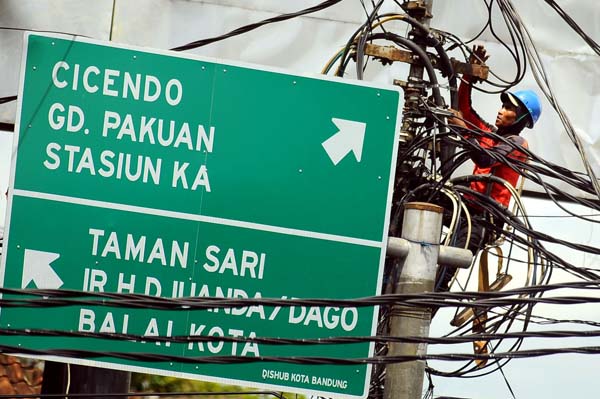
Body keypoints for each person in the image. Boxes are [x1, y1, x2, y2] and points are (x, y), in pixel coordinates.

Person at [435, 45, 542, 292]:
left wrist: (462, 127)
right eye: (503, 106)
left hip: (485, 219)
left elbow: (485, 159)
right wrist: (469, 75)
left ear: (521, 120)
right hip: (465, 206)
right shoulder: (489, 135)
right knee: (419, 195)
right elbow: (464, 109)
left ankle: (428, 304)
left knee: (448, 265)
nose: (500, 111)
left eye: (508, 110)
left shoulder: (517, 143)